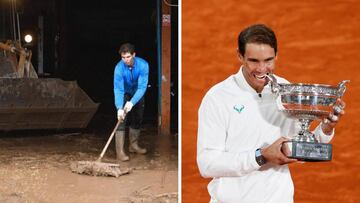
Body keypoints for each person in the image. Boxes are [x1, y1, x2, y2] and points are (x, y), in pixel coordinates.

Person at [196, 24, 346, 202]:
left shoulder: (286, 92)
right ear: (240, 56)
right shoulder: (218, 98)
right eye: (254, 61)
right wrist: (261, 156)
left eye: (268, 60)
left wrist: (325, 130)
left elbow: (298, 150)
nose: (261, 69)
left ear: (277, 55)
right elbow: (207, 164)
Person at [114, 43, 149, 161]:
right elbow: (118, 89)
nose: (125, 60)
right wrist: (119, 107)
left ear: (134, 55)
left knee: (138, 117)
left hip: (137, 93)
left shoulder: (143, 65)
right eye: (123, 57)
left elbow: (142, 87)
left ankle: (133, 145)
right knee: (122, 119)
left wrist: (132, 102)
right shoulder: (119, 68)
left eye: (128, 57)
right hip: (124, 92)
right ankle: (120, 152)